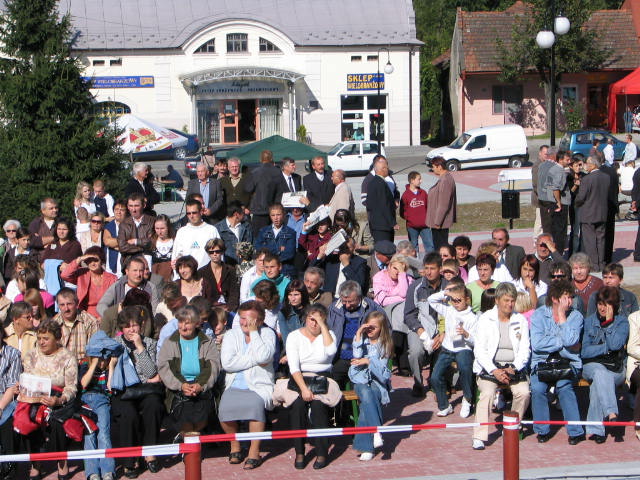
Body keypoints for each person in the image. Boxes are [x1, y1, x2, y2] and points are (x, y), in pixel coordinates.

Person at [472, 282, 530, 450]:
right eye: (506, 300)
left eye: (512, 301)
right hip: (489, 368)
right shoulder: (485, 319)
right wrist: (494, 370)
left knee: (524, 393)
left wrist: (514, 367)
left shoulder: (520, 320)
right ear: (497, 300)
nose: (509, 304)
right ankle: (479, 436)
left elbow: (525, 349)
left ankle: (511, 426)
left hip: (513, 368)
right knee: (487, 393)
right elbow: (480, 350)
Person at [219, 301, 276, 470]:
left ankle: (254, 451)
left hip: (258, 385)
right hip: (235, 384)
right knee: (224, 409)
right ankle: (235, 445)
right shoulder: (231, 335)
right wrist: (255, 360)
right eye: (242, 318)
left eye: (250, 319)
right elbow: (228, 364)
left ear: (260, 320)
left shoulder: (267, 333)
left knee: (255, 406)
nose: (245, 323)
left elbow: (264, 356)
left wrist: (254, 333)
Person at [19, 320, 77, 480]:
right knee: (27, 418)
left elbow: (71, 387)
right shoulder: (31, 355)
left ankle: (61, 460)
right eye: (39, 338)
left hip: (58, 398)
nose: (41, 342)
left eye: (46, 338)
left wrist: (59, 400)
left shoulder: (67, 357)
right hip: (34, 397)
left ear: (56, 338)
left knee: (57, 421)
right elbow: (27, 379)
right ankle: (35, 462)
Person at [110, 306, 165, 477]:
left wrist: (140, 347)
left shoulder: (150, 344)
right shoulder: (115, 345)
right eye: (127, 326)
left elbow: (151, 373)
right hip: (124, 390)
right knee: (128, 414)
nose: (131, 330)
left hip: (146, 390)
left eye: (134, 325)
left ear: (141, 326)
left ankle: (150, 452)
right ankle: (129, 460)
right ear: (122, 328)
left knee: (154, 406)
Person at [530, 279, 585, 444]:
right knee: (537, 388)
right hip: (542, 362)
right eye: (566, 297)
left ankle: (575, 431)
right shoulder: (539, 315)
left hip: (567, 362)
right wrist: (562, 341)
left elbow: (571, 340)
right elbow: (537, 344)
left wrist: (561, 317)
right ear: (555, 299)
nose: (570, 301)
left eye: (571, 297)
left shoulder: (576, 316)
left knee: (564, 386)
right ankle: (542, 430)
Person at [284, 304, 337, 469]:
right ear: (305, 319)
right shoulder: (294, 336)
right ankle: (299, 451)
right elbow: (294, 367)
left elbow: (331, 352)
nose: (314, 324)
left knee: (318, 406)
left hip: (322, 377)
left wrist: (323, 326)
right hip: (300, 378)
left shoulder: (329, 335)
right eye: (311, 319)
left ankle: (322, 452)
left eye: (319, 320)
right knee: (297, 406)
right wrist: (304, 389)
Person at [158, 305, 221, 438]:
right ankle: (188, 443)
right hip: (177, 390)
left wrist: (200, 385)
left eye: (187, 323)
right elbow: (165, 368)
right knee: (185, 413)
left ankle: (192, 440)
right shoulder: (170, 342)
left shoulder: (207, 342)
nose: (183, 327)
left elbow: (213, 366)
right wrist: (181, 385)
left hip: (202, 389)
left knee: (202, 412)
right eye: (180, 322)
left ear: (196, 324)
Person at [581, 286, 629, 443]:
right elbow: (585, 352)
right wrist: (605, 349)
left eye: (607, 305)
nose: (602, 308)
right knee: (599, 372)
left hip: (615, 368)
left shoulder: (622, 322)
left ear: (614, 306)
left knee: (600, 380)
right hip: (591, 366)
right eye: (600, 304)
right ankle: (611, 412)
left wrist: (608, 324)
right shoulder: (589, 321)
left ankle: (597, 430)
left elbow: (616, 345)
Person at [427, 284, 478, 418]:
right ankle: (445, 405)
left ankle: (467, 398)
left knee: (465, 368)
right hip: (447, 348)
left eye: (459, 300)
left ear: (467, 300)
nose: (455, 304)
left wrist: (466, 334)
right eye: (453, 300)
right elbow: (431, 300)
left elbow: (476, 341)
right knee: (435, 377)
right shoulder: (449, 310)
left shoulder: (472, 317)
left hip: (463, 348)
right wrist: (446, 293)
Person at [348, 310, 393, 461]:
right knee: (367, 394)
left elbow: (383, 373)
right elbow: (356, 356)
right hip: (360, 379)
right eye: (368, 326)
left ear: (381, 328)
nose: (370, 330)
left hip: (377, 382)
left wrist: (368, 362)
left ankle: (367, 447)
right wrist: (358, 334)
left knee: (368, 400)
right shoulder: (362, 339)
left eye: (374, 327)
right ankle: (376, 432)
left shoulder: (385, 344)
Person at [80, 331, 122, 480]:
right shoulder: (85, 365)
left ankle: (107, 471)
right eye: (100, 359)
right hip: (86, 403)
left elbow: (111, 388)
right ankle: (92, 472)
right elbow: (83, 384)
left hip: (103, 401)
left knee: (104, 433)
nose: (102, 363)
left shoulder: (109, 367)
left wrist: (111, 366)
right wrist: (93, 364)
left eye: (105, 359)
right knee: (89, 435)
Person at [403, 252, 446, 396]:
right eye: (426, 268)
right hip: (419, 329)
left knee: (444, 349)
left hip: (442, 330)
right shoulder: (415, 287)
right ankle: (418, 382)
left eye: (432, 268)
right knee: (415, 351)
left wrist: (443, 333)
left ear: (440, 269)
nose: (428, 272)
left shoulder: (449, 287)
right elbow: (409, 315)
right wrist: (421, 332)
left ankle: (436, 380)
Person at [328, 281, 385, 387]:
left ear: (359, 297)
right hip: (339, 358)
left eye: (350, 301)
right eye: (344, 301)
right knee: (332, 386)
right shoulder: (333, 308)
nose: (347, 305)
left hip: (362, 359)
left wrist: (374, 355)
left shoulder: (371, 307)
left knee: (360, 389)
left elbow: (386, 331)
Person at [575, 156, 611, 272]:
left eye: (587, 163)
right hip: (602, 213)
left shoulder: (587, 179)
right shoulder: (606, 177)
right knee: (601, 239)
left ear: (593, 165)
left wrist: (576, 202)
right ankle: (601, 263)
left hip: (588, 213)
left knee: (590, 240)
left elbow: (581, 197)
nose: (585, 165)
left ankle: (594, 264)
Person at [60, 247, 118, 319]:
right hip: (84, 315)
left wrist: (105, 317)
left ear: (102, 261)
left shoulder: (112, 278)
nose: (92, 263)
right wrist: (80, 259)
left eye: (96, 260)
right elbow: (64, 275)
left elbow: (115, 301)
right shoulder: (81, 274)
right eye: (89, 261)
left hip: (105, 314)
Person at [52, 287, 100, 362]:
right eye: (62, 305)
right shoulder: (53, 324)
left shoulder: (91, 322)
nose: (66, 309)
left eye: (69, 304)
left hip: (84, 365)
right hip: (59, 364)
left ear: (77, 304)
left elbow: (95, 351)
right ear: (58, 305)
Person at [172, 199, 220, 271]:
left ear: (201, 212)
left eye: (194, 213)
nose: (191, 216)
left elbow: (219, 255)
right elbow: (176, 257)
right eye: (188, 213)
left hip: (207, 274)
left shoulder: (211, 230)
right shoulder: (181, 232)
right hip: (187, 275)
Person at [538, 150, 571, 254]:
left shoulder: (551, 168)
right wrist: (558, 202)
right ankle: (558, 254)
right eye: (567, 160)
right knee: (560, 232)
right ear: (560, 160)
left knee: (552, 229)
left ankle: (552, 252)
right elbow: (556, 188)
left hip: (549, 202)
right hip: (559, 203)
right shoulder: (559, 170)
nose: (569, 162)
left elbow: (547, 185)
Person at [0, 325, 21, 479]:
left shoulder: (13, 354)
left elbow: (12, 386)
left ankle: (8, 469)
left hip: (6, 399)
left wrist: (0, 408)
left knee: (6, 423)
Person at [254, 203, 297, 278]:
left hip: (285, 270)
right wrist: (279, 249)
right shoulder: (263, 231)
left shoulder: (291, 232)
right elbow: (258, 249)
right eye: (273, 215)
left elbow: (290, 253)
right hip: (267, 269)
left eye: (278, 215)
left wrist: (267, 249)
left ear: (283, 215)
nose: (276, 218)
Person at [244, 150, 280, 235]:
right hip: (276, 210)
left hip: (259, 210)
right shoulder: (278, 172)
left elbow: (248, 189)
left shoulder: (255, 172)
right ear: (271, 159)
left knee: (259, 237)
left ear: (260, 159)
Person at [199, 238, 240, 311]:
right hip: (209, 310)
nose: (214, 254)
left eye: (217, 251)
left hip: (228, 308)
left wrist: (230, 309)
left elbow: (234, 292)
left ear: (222, 252)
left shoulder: (231, 270)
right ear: (208, 253)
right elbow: (201, 295)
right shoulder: (201, 272)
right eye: (211, 252)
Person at [426, 156, 457, 250]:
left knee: (440, 249)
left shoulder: (445, 180)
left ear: (439, 167)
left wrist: (437, 222)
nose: (432, 169)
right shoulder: (444, 179)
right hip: (439, 223)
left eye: (433, 166)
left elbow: (443, 204)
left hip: (440, 224)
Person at [117, 193, 155, 265]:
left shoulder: (152, 221)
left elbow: (152, 243)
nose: (133, 209)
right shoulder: (124, 224)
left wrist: (136, 241)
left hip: (148, 259)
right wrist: (141, 249)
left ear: (144, 205)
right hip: (128, 260)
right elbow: (122, 247)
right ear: (127, 206)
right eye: (131, 206)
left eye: (136, 206)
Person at [366, 155, 397, 242]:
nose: (388, 170)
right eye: (387, 168)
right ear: (383, 169)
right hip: (383, 225)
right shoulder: (380, 183)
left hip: (376, 224)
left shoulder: (373, 182)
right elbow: (384, 204)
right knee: (385, 248)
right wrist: (392, 222)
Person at [400, 171, 433, 254]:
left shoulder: (423, 193)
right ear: (412, 180)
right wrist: (410, 218)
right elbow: (402, 211)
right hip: (412, 227)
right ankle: (415, 262)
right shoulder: (405, 195)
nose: (421, 181)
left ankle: (431, 261)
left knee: (430, 245)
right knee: (413, 247)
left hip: (425, 226)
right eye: (419, 179)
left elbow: (428, 207)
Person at [214, 200, 253, 265]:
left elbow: (251, 244)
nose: (245, 215)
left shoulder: (247, 227)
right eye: (243, 213)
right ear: (236, 214)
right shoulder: (217, 229)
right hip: (226, 266)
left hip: (244, 266)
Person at [277, 279, 309, 355]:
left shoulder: (311, 312)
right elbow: (286, 338)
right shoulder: (283, 313)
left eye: (296, 295)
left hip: (307, 350)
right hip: (290, 351)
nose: (293, 298)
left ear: (303, 295)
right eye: (290, 295)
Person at [103, 200, 127, 277]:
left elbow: (132, 243)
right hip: (111, 263)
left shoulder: (131, 225)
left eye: (122, 210)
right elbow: (107, 241)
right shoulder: (109, 226)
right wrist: (125, 243)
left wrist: (114, 245)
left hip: (126, 262)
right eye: (116, 209)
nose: (119, 212)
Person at [566, 156, 585, 257]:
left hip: (584, 205)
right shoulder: (569, 177)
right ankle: (573, 253)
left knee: (583, 230)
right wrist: (576, 185)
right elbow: (569, 193)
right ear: (571, 166)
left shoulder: (584, 176)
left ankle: (582, 251)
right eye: (576, 166)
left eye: (580, 165)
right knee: (575, 230)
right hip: (574, 205)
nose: (578, 167)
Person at [150, 214, 175, 281]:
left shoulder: (175, 241)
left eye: (162, 228)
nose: (159, 232)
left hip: (172, 278)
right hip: (155, 279)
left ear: (168, 227)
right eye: (157, 228)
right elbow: (148, 263)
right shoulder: (151, 242)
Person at [531, 145, 549, 239]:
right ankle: (536, 239)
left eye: (548, 154)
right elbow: (536, 184)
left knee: (544, 221)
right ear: (540, 153)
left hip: (545, 199)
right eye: (545, 154)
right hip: (540, 199)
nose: (547, 156)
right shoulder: (537, 166)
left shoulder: (546, 164)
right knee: (540, 221)